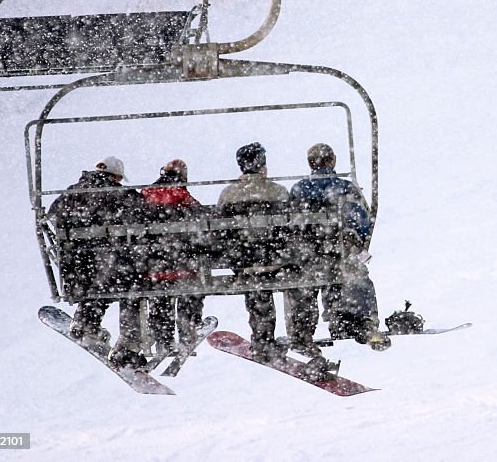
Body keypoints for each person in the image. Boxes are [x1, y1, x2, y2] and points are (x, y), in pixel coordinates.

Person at [217, 142, 325, 368]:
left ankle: (263, 338)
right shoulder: (277, 192)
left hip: (246, 263)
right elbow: (292, 229)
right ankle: (301, 335)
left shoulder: (228, 194)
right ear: (262, 165)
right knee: (300, 284)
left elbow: (222, 235)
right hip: (279, 261)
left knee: (257, 289)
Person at [291, 143, 390, 351]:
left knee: (308, 285)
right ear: (333, 160)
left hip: (310, 256)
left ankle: (305, 332)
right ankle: (364, 322)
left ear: (310, 163)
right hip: (341, 252)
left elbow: (292, 225)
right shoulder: (345, 188)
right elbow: (361, 222)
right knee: (356, 277)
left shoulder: (299, 190)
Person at [48, 157, 146, 360]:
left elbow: (52, 215)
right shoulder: (120, 195)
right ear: (117, 176)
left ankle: (86, 323)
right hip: (109, 260)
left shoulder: (71, 193)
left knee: (97, 287)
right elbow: (143, 213)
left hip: (76, 264)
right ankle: (129, 344)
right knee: (132, 286)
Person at [138, 159, 204, 356]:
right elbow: (202, 222)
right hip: (182, 265)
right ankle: (187, 333)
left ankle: (163, 340)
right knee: (190, 293)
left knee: (160, 300)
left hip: (154, 267)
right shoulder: (183, 197)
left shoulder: (145, 196)